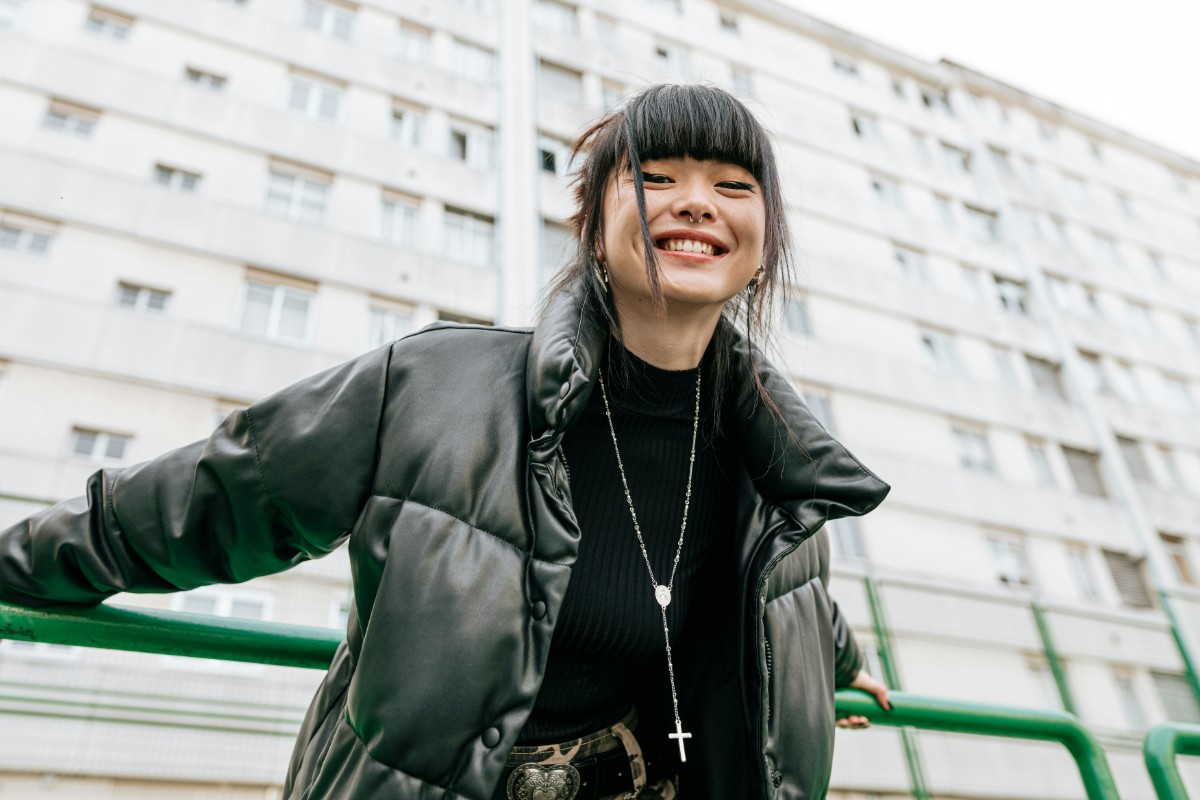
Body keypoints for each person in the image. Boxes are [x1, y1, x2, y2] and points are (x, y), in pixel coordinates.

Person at [0, 84, 891, 799]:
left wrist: (842, 666)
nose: (698, 203)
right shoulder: (434, 387)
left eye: (734, 187)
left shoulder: (778, 457)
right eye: (656, 177)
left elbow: (765, 586)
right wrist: (15, 561)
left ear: (763, 243)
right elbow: (208, 498)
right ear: (591, 225)